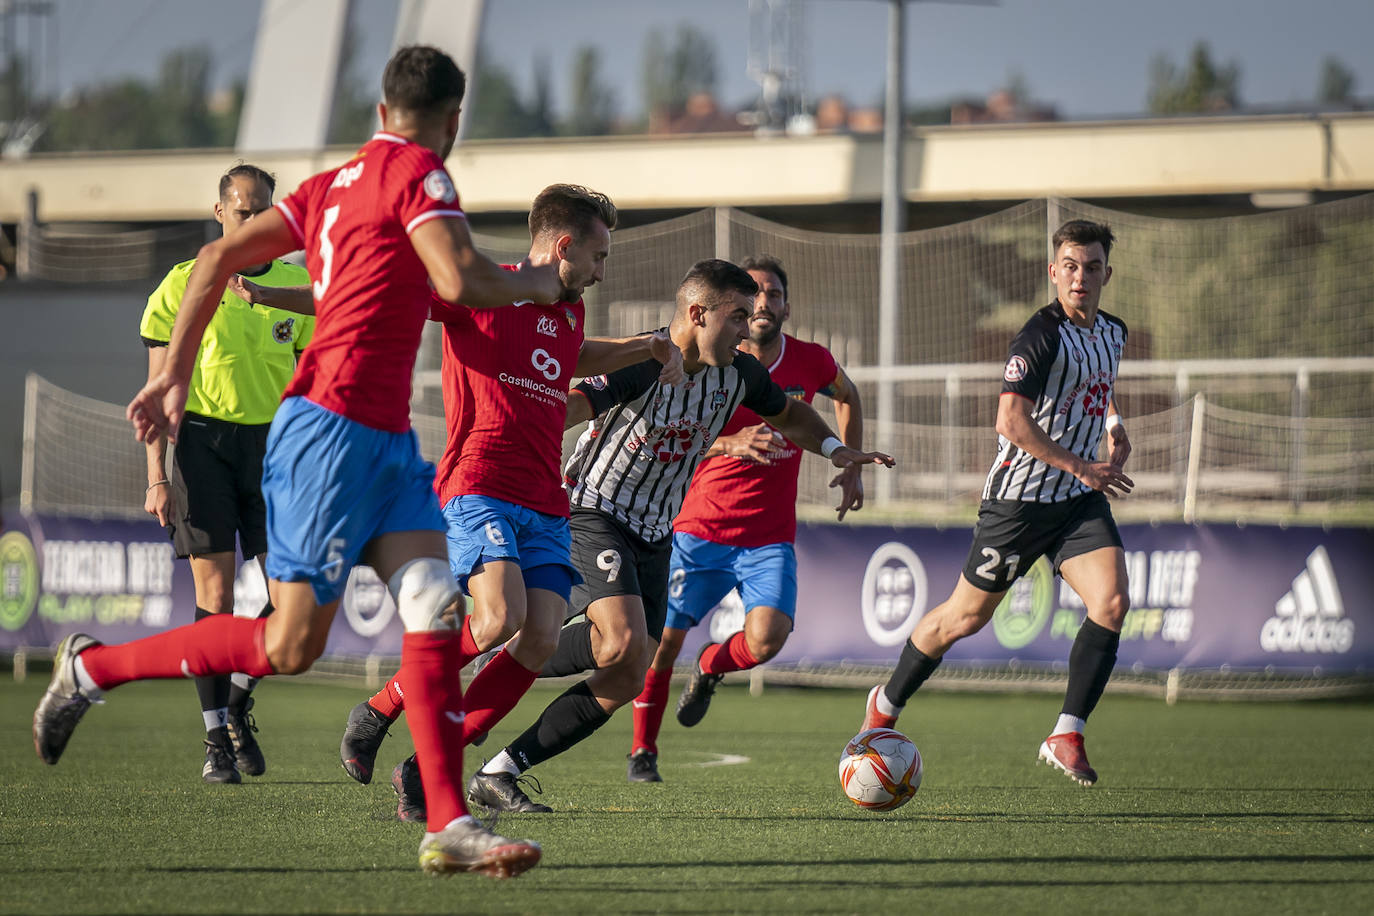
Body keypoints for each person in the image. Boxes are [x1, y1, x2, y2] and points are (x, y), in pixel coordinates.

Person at [33, 45, 564, 879]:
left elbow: (215, 259)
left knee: (433, 608)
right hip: (325, 435)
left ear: (381, 110)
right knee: (287, 649)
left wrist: (170, 375)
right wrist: (532, 281)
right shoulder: (424, 175)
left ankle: (448, 822)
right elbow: (459, 281)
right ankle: (92, 668)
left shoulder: (333, 187)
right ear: (451, 120)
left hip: (386, 444)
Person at [464, 258, 895, 814]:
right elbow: (570, 403)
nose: (749, 327)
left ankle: (500, 771)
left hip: (655, 531)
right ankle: (502, 680)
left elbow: (791, 414)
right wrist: (507, 432)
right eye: (739, 316)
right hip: (594, 512)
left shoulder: (738, 374)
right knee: (625, 642)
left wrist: (838, 451)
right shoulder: (645, 358)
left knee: (626, 670)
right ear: (697, 313)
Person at [332, 184, 684, 819]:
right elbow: (395, 294)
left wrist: (644, 346)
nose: (603, 272)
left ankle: (430, 763)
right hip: (478, 483)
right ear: (564, 245)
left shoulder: (567, 309)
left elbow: (573, 355)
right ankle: (384, 706)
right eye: (599, 257)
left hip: (546, 499)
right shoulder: (484, 288)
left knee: (542, 638)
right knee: (498, 619)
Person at [860, 219, 1133, 787]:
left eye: (1093, 267)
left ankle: (1067, 731)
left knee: (1111, 602)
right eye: (1071, 266)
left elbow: (1097, 385)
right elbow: (1010, 420)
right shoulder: (1041, 333)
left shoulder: (1114, 331)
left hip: (1076, 502)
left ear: (1108, 272)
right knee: (966, 618)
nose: (1081, 277)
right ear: (1054, 271)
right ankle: (884, 705)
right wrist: (1083, 464)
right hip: (1019, 501)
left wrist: (1114, 424)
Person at [625, 254, 868, 783]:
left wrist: (849, 462)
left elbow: (846, 395)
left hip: (769, 536)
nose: (763, 303)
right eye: (753, 294)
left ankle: (712, 666)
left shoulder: (811, 361)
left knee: (767, 639)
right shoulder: (712, 361)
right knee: (662, 643)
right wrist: (729, 442)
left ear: (785, 306)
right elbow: (669, 429)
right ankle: (643, 751)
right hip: (699, 528)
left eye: (773, 294)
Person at [140, 163, 314, 785]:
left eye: (264, 212)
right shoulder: (183, 284)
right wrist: (157, 473)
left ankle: (239, 693)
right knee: (212, 601)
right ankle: (217, 739)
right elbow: (158, 388)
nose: (254, 222)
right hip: (201, 446)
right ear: (220, 214)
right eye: (243, 212)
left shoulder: (297, 287)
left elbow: (314, 384)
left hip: (275, 452)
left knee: (294, 598)